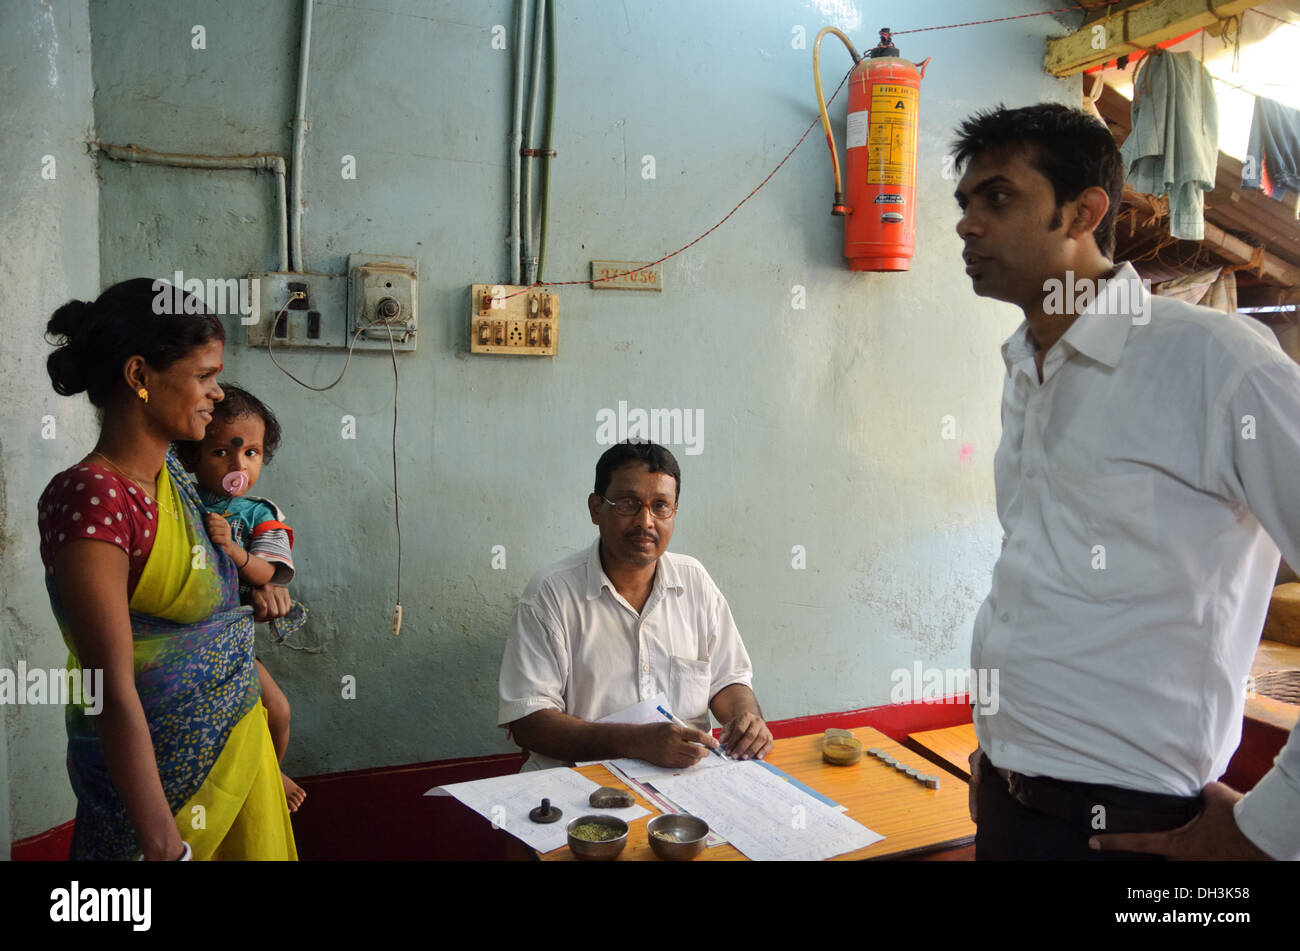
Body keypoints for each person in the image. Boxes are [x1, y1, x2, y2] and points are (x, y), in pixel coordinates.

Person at [952, 102, 1300, 861]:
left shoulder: (1214, 363)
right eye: (965, 202)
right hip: (1008, 803)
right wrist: (999, 755)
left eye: (999, 197)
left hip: (1142, 832)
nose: (968, 225)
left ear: (1085, 211)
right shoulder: (1026, 371)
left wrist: (1275, 828)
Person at [39, 278, 297, 860]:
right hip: (156, 813)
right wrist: (163, 845)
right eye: (204, 375)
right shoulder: (92, 496)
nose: (216, 392)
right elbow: (108, 685)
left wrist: (245, 601)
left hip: (237, 763)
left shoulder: (179, 487)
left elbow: (203, 611)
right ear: (140, 377)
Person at [498, 441, 773, 771]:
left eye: (661, 506)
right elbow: (530, 722)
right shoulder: (551, 594)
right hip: (578, 789)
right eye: (628, 504)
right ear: (596, 508)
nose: (646, 521)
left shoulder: (695, 581)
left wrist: (747, 719)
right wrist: (637, 743)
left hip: (686, 784)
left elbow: (728, 681)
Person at [175, 384, 308, 813]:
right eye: (222, 453)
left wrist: (235, 552)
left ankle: (273, 768)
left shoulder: (259, 514)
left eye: (251, 453)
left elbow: (268, 572)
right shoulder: (179, 498)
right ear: (191, 456)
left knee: (279, 712)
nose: (239, 465)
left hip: (233, 645)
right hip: (185, 641)